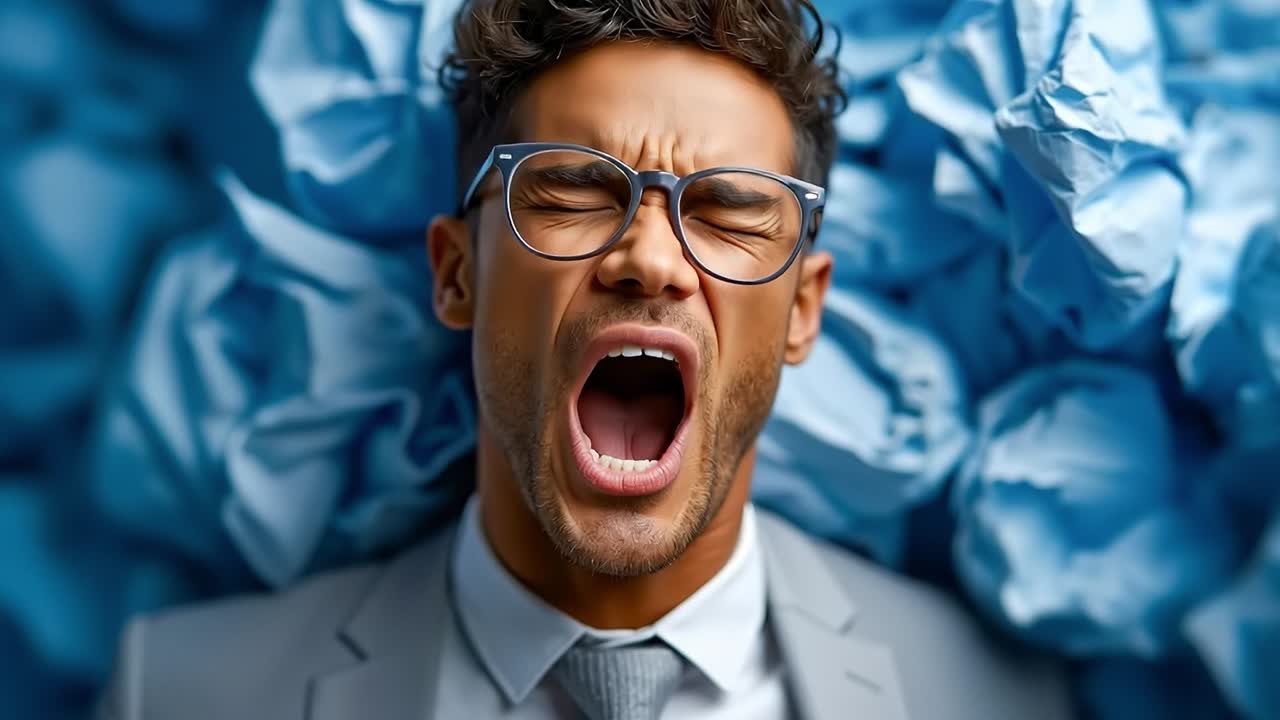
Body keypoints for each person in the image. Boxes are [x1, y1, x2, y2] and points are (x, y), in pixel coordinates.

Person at [98, 1, 1074, 718]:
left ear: (801, 311)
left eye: (729, 209)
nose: (649, 259)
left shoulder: (996, 698)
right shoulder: (179, 693)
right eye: (569, 191)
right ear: (454, 275)